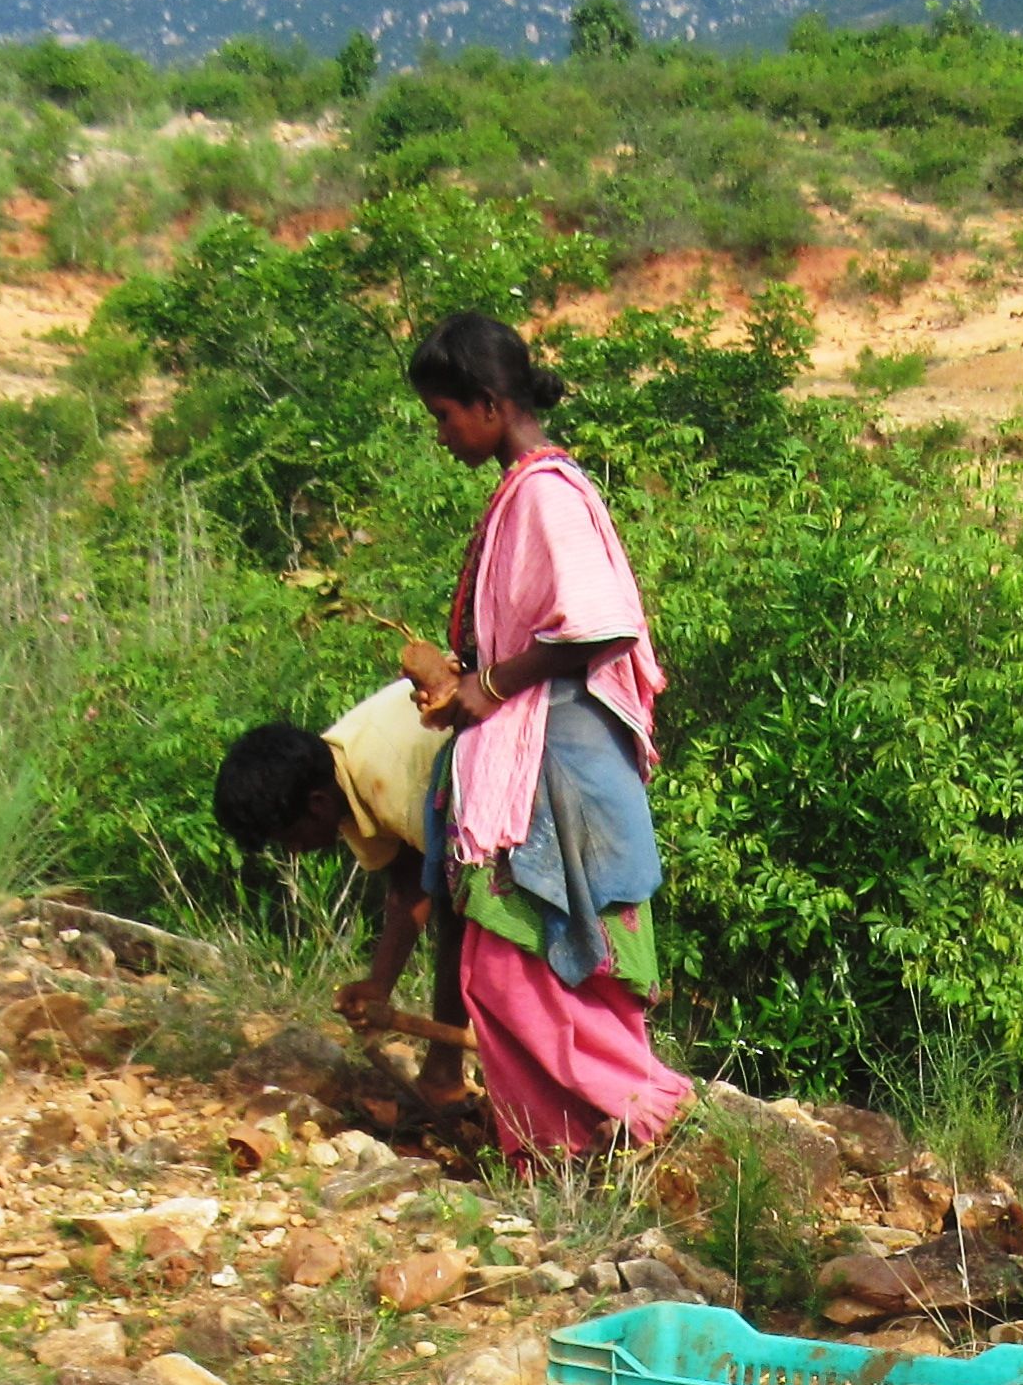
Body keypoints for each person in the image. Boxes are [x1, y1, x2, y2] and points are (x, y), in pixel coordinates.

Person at [382, 310, 692, 1162]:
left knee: (515, 971)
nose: (442, 436)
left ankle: (644, 1108)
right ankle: (572, 1155)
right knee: (527, 969)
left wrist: (489, 684)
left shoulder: (546, 495)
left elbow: (597, 625)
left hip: (554, 767)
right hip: (544, 757)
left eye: (445, 416)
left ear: (486, 404)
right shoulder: (528, 490)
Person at [209, 676, 470, 1108]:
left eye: (289, 838)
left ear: (316, 805)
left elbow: (459, 902)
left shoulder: (387, 779)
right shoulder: (335, 772)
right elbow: (408, 882)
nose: (294, 851)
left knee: (480, 931)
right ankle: (446, 1074)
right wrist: (378, 985)